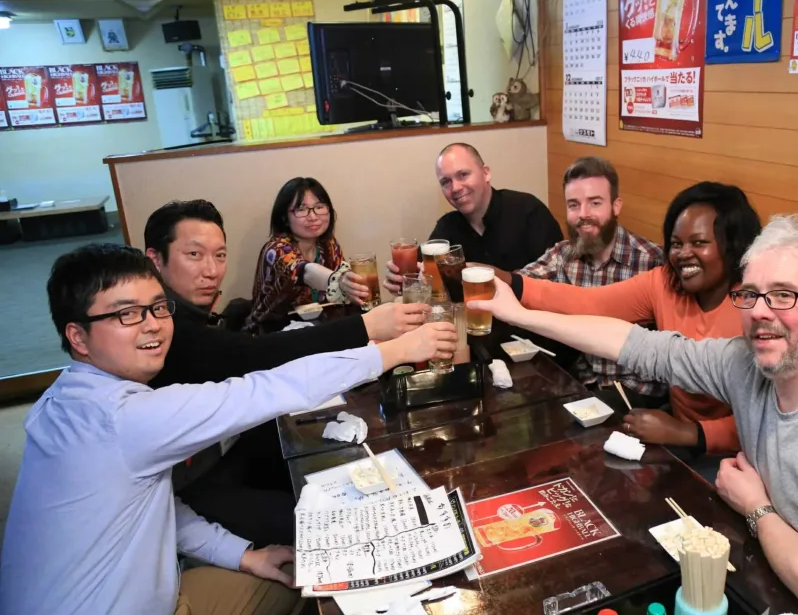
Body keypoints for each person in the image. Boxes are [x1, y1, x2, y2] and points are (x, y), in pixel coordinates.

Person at [471, 215, 798, 615]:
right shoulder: (745, 363)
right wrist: (521, 315)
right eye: (751, 294)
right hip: (783, 575)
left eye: (784, 295)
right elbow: (636, 344)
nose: (760, 312)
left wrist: (756, 507)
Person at [0, 243, 456, 615]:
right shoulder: (122, 419)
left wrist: (243, 556)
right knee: (330, 582)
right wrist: (394, 350)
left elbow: (150, 507)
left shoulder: (61, 400)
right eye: (126, 314)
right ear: (78, 336)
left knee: (297, 573)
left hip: (149, 593)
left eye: (157, 307)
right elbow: (266, 388)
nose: (152, 326)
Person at [143, 199, 430, 546]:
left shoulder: (329, 246)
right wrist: (367, 327)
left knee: (326, 453)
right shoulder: (161, 327)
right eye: (194, 255)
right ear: (155, 259)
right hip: (186, 489)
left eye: (219, 255)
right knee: (332, 521)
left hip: (222, 451)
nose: (211, 270)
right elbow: (254, 356)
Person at [509, 183, 761, 459]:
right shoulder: (664, 281)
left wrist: (687, 433)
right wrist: (511, 284)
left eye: (699, 243)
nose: (683, 253)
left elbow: (765, 418)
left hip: (739, 454)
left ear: (732, 246)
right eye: (676, 243)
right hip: (678, 435)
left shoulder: (757, 306)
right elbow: (592, 304)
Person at [517, 156, 664, 398]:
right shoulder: (563, 254)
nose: (583, 214)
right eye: (573, 205)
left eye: (595, 203)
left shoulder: (652, 261)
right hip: (584, 386)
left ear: (616, 206)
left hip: (638, 394)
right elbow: (520, 283)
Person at [382, 142, 563, 296]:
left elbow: (558, 282)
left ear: (486, 173)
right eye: (446, 182)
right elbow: (419, 274)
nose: (455, 188)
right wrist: (401, 279)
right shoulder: (447, 227)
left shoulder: (528, 211)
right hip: (471, 323)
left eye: (463, 175)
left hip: (528, 323)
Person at [244, 177, 367, 333]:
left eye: (319, 207)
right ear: (284, 217)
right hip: (273, 336)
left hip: (319, 333)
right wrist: (339, 281)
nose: (313, 217)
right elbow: (302, 271)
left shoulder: (328, 245)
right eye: (301, 209)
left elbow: (340, 304)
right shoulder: (275, 250)